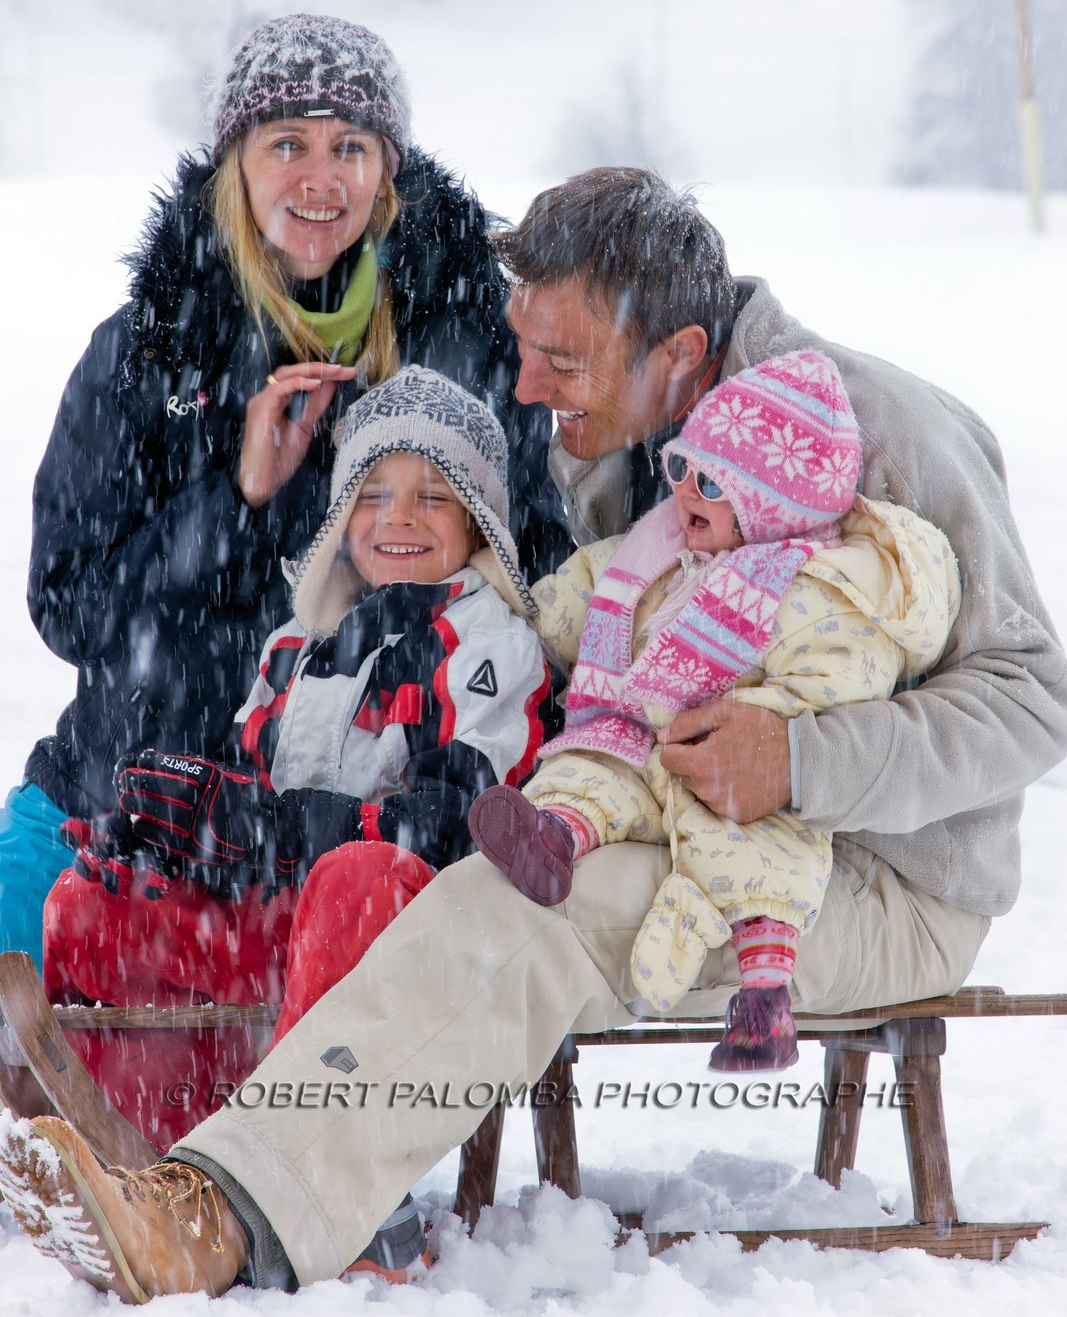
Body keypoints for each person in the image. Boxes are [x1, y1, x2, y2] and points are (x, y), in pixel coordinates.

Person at [2, 168, 1064, 1300]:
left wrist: (799, 760)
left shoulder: (871, 427)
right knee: (471, 875)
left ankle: (224, 1215)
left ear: (679, 347)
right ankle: (165, 1148)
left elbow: (1032, 697)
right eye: (521, 347)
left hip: (870, 877)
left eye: (558, 360)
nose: (524, 383)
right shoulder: (612, 440)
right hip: (662, 824)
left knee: (528, 911)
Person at [0, 13, 566, 967]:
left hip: (340, 831)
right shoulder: (147, 349)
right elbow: (68, 607)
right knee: (21, 1000)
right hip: (120, 795)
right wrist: (238, 500)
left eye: (350, 145)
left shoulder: (468, 344)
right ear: (236, 165)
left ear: (388, 169)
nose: (320, 177)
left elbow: (534, 572)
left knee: (280, 1093)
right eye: (287, 144)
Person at [40, 366, 554, 1152]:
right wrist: (177, 837)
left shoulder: (493, 648)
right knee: (88, 904)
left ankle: (291, 1177)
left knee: (358, 877)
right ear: (343, 515)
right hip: (284, 931)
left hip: (412, 942)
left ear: (481, 520)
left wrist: (277, 830)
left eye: (434, 495)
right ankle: (160, 1164)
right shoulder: (295, 646)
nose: (399, 518)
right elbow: (250, 795)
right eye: (373, 494)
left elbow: (459, 823)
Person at [470, 348, 961, 1072]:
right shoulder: (658, 549)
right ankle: (552, 840)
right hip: (640, 735)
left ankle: (763, 996)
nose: (685, 494)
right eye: (680, 469)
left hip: (733, 765)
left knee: (751, 850)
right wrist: (510, 606)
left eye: (710, 481)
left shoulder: (818, 587)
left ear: (772, 502)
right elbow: (586, 590)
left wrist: (752, 721)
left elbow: (834, 681)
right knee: (589, 766)